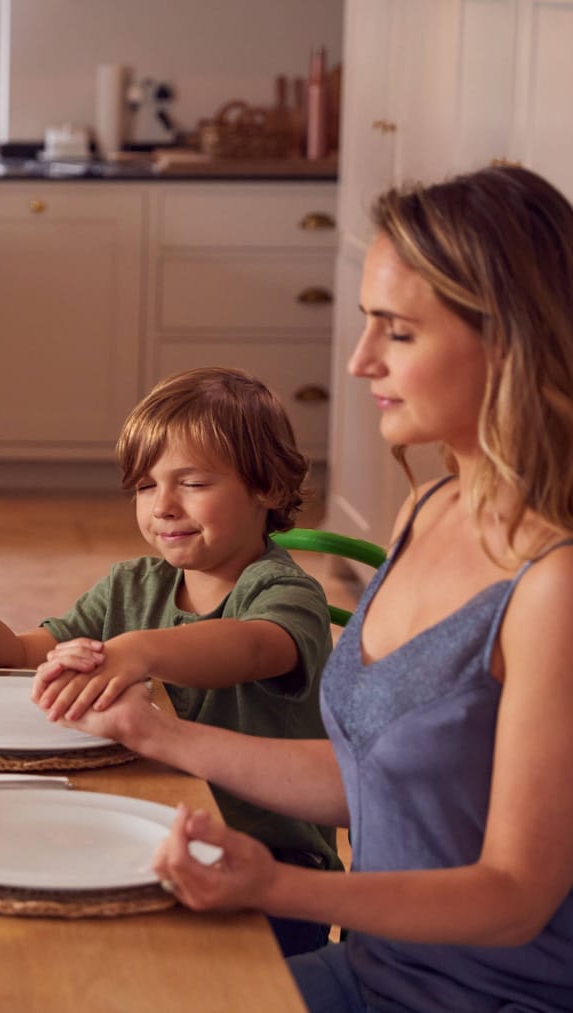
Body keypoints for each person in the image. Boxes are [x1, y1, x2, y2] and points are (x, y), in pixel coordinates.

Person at [72, 166, 573, 1011]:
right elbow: (374, 776)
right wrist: (157, 735)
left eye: (398, 332)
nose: (359, 359)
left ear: (509, 338)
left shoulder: (554, 585)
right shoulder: (431, 506)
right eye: (366, 323)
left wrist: (279, 885)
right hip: (370, 970)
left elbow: (513, 894)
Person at [0, 366, 339, 955]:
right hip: (146, 844)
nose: (164, 506)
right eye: (146, 487)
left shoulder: (282, 591)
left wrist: (137, 651)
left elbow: (254, 644)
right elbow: (21, 655)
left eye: (193, 483)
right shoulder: (133, 585)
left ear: (268, 489)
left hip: (265, 872)